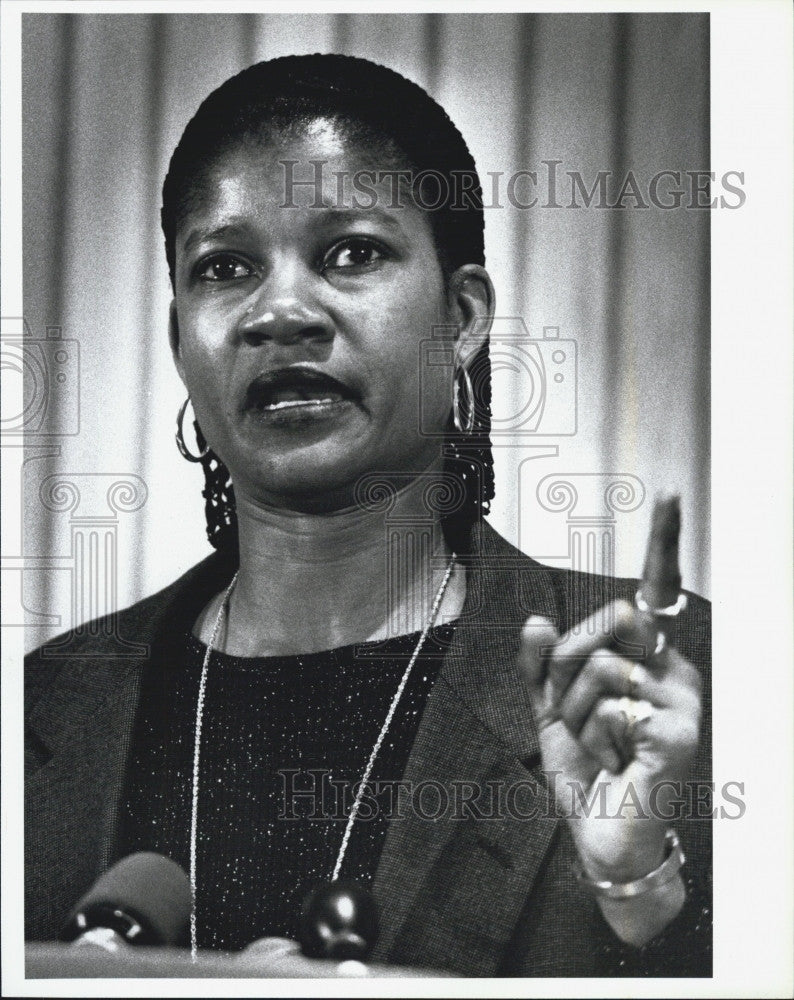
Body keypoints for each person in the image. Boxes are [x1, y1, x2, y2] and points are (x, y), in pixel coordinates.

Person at [24, 54, 711, 977]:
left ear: (461, 317)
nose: (280, 312)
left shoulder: (659, 690)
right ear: (181, 338)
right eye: (224, 267)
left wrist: (644, 894)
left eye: (352, 252)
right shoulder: (41, 711)